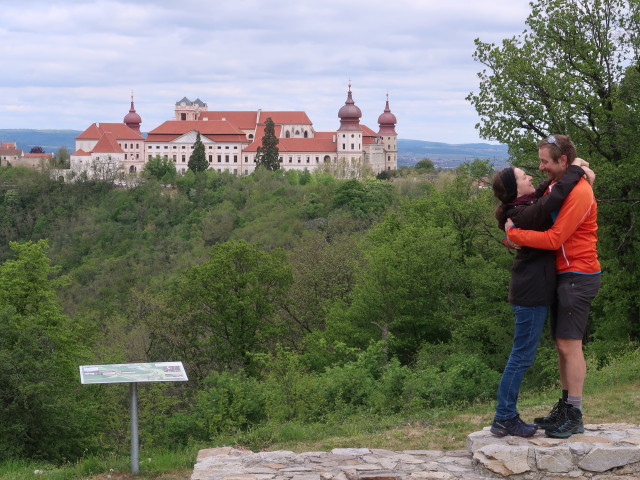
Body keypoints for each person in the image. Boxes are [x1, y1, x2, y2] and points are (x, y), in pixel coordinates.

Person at [506, 134, 600, 439]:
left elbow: (554, 238)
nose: (541, 167)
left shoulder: (579, 192)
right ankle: (565, 405)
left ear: (562, 161)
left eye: (545, 161)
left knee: (569, 346)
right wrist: (579, 165)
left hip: (579, 273)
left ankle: (575, 413)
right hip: (564, 274)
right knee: (561, 346)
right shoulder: (562, 185)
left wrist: (515, 235)